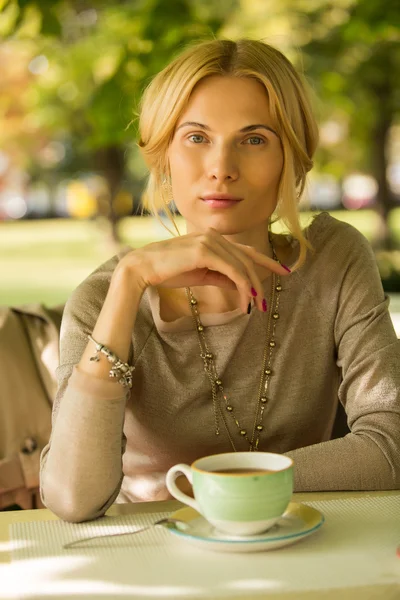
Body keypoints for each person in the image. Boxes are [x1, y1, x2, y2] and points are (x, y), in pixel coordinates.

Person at [40, 38, 400, 523]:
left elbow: (388, 446)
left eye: (254, 140)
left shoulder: (333, 261)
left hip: (300, 548)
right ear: (163, 155)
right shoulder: (105, 296)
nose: (221, 169)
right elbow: (71, 498)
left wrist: (219, 482)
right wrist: (129, 284)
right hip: (151, 559)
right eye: (196, 137)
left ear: (291, 157)